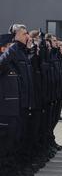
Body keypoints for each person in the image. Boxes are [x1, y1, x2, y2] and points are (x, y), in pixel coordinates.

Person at [0, 24, 36, 176]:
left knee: (18, 139)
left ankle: (15, 167)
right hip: (8, 108)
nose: (27, 36)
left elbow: (26, 82)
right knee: (8, 142)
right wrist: (13, 46)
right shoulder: (11, 53)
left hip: (22, 105)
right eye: (23, 34)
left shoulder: (22, 53)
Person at [0, 33, 21, 176]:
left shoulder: (13, 64)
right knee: (4, 147)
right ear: (3, 49)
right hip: (4, 114)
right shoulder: (2, 63)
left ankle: (10, 169)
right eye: (9, 46)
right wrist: (12, 50)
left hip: (14, 112)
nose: (13, 49)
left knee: (12, 144)